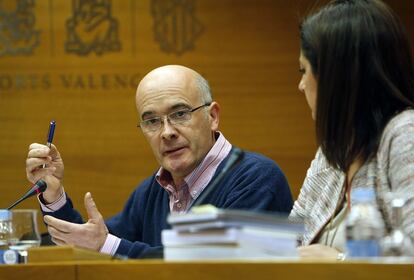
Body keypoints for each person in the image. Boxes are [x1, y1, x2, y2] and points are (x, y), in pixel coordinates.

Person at [26, 65, 293, 258]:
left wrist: (107, 245)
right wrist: (53, 194)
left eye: (180, 114)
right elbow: (89, 244)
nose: (167, 132)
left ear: (212, 116)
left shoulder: (257, 180)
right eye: (152, 121)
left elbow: (207, 269)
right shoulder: (152, 191)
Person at [289, 0, 414, 259]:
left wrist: (337, 263)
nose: (301, 85)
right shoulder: (333, 149)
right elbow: (290, 236)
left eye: (304, 71)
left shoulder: (405, 134)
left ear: (336, 76)